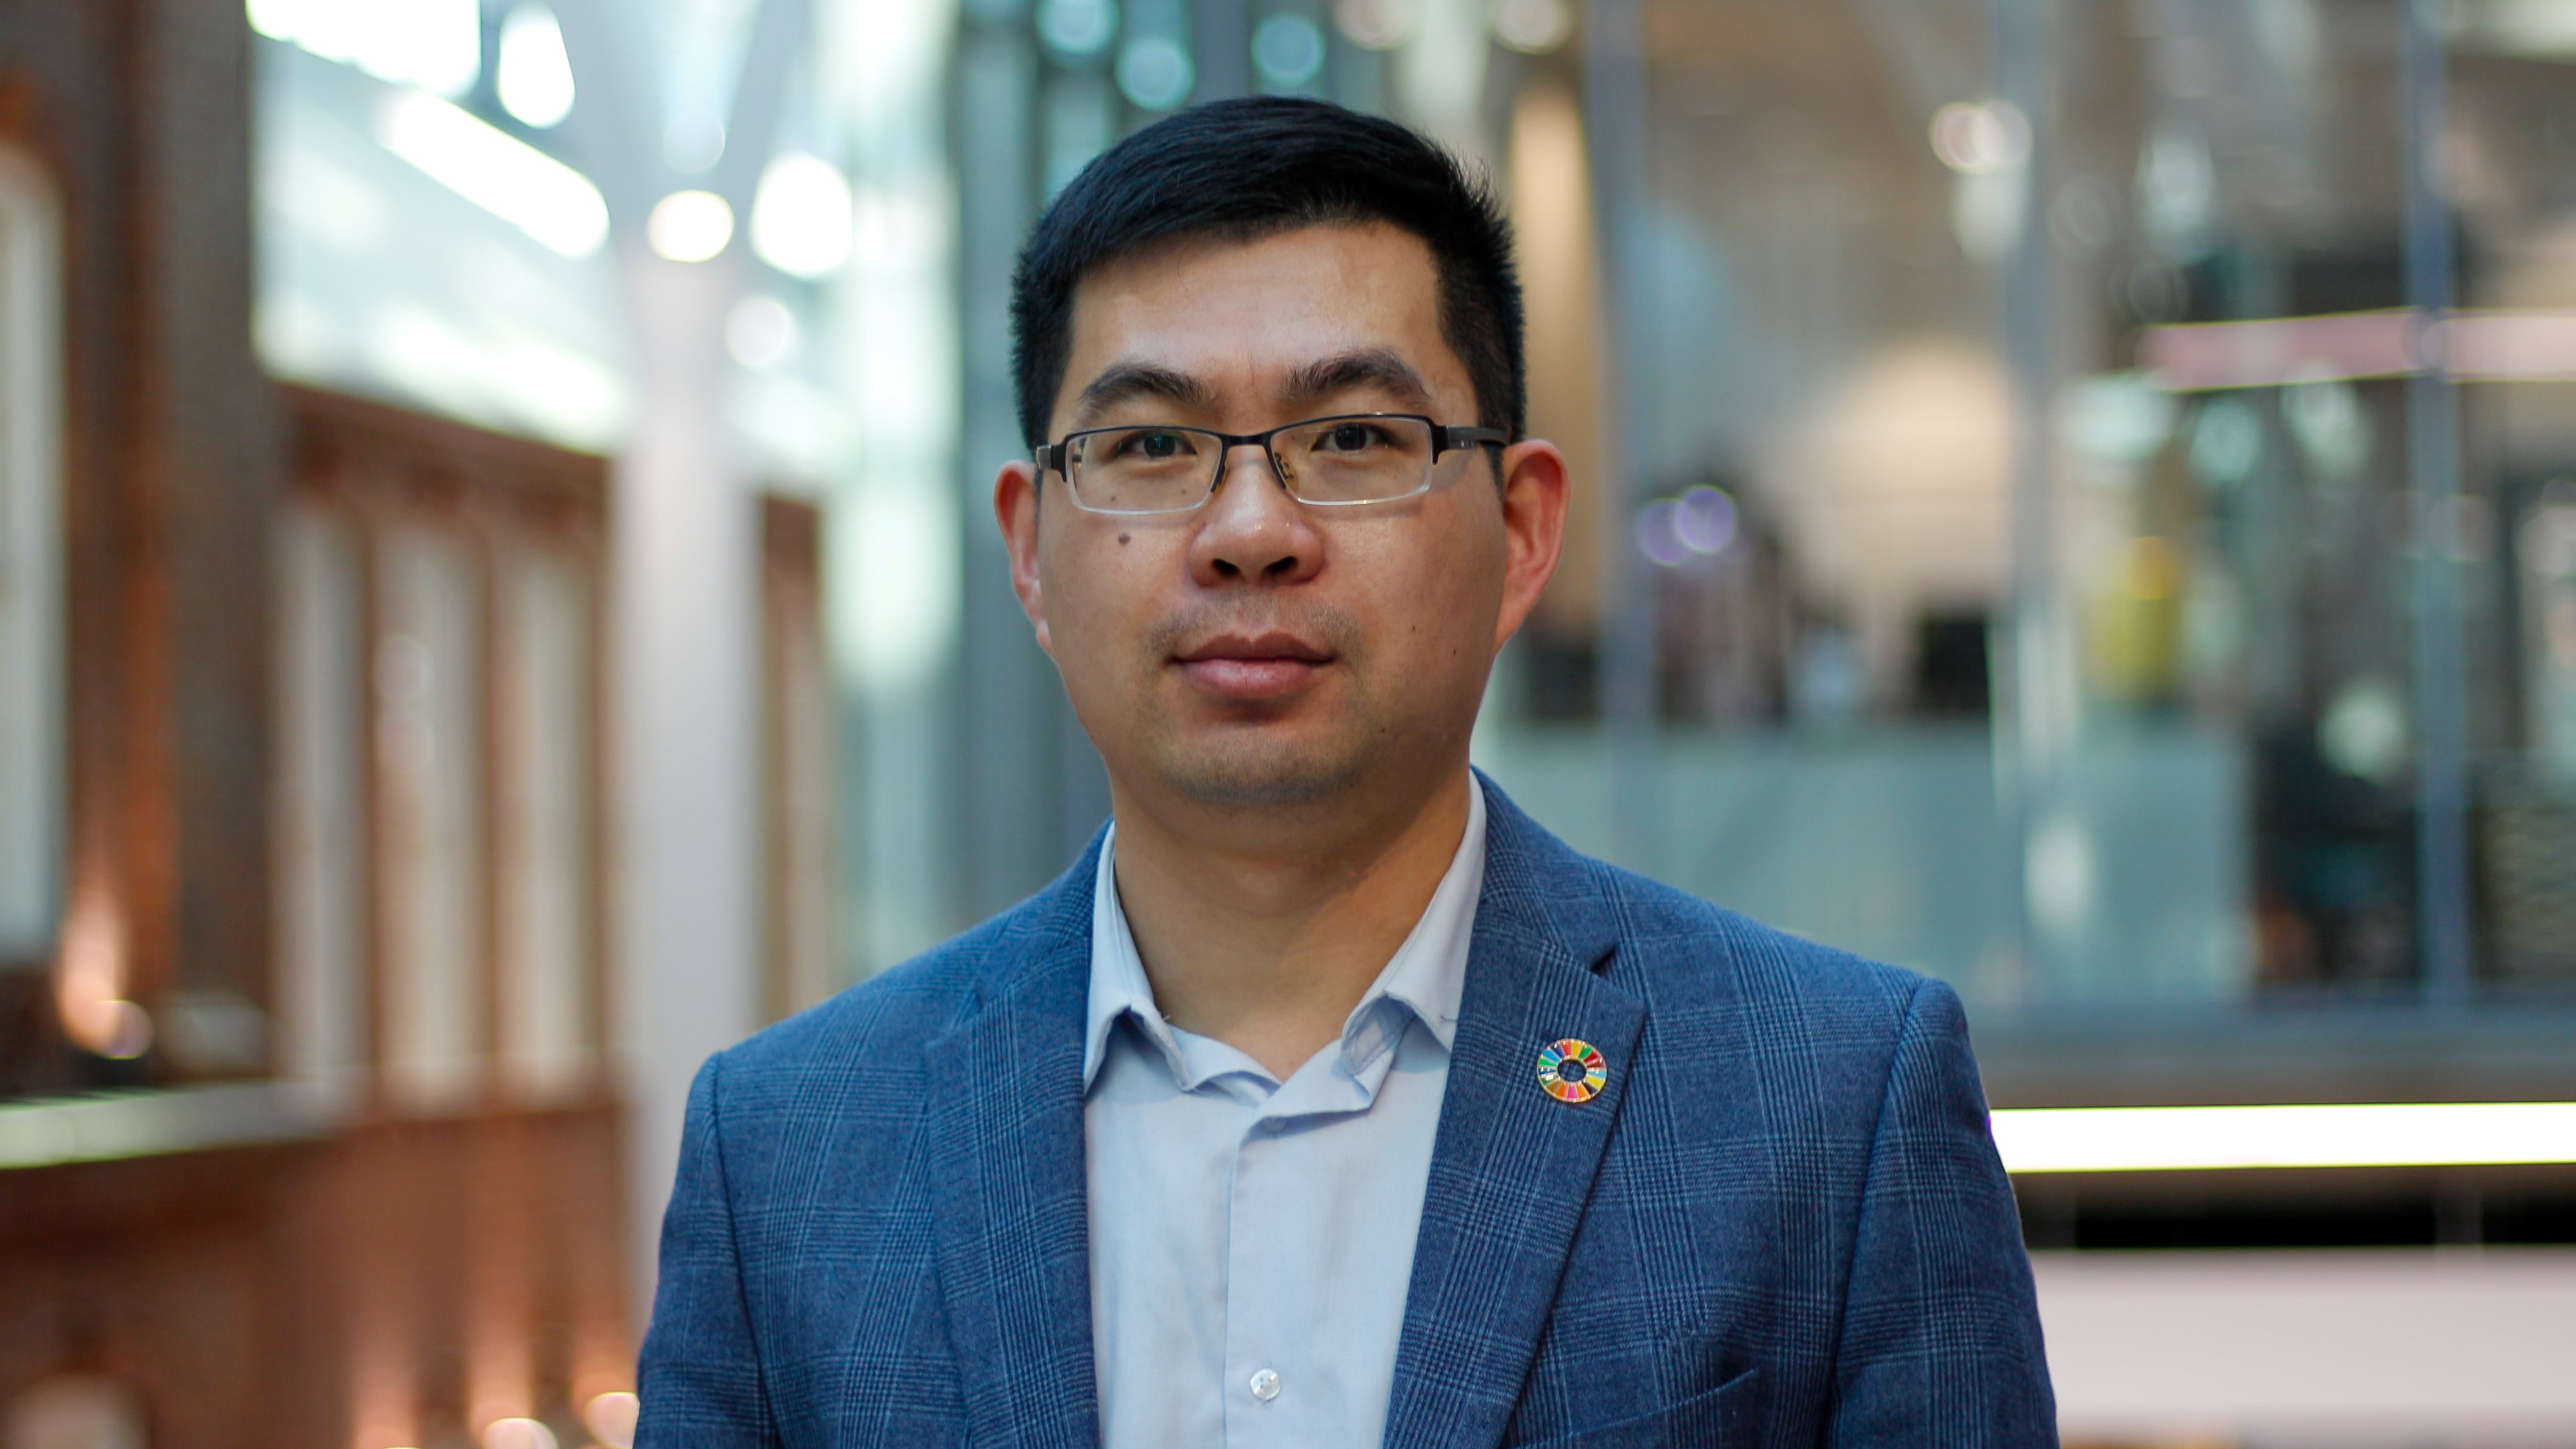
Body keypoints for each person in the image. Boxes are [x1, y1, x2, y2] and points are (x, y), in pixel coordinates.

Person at [637, 96, 2053, 1447]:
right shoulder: (788, 1157)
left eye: (1353, 440)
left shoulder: (1828, 1108)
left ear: (1520, 528)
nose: (1250, 529)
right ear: (1028, 551)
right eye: (1147, 447)